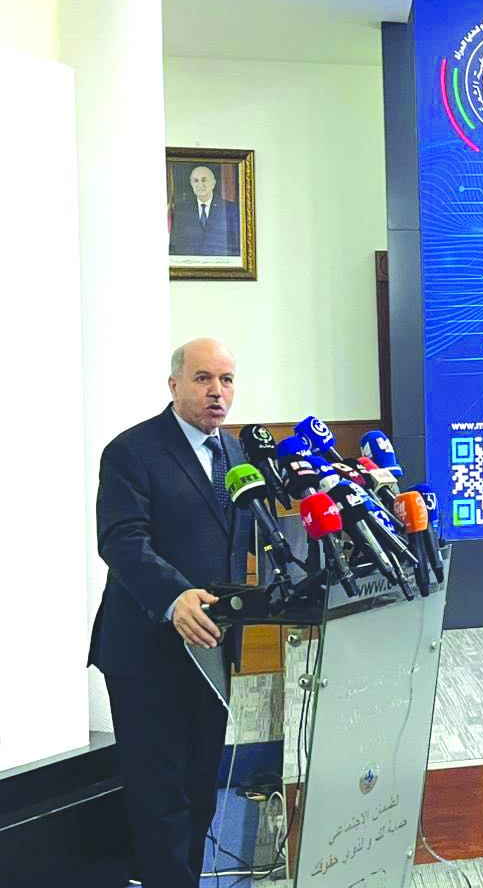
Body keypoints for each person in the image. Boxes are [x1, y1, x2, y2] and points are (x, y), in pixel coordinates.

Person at [88, 338, 251, 887]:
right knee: (160, 796)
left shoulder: (237, 456)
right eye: (203, 379)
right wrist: (173, 596)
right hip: (146, 653)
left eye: (226, 380)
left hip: (211, 650)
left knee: (201, 787)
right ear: (174, 384)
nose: (217, 392)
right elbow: (121, 540)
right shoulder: (132, 451)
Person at [169, 165, 241, 257]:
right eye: (195, 181)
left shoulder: (230, 209)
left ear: (213, 183)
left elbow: (236, 244)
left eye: (204, 180)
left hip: (221, 263)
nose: (200, 185)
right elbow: (175, 244)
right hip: (191, 263)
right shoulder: (181, 210)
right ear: (191, 184)